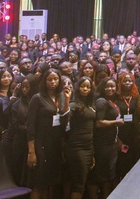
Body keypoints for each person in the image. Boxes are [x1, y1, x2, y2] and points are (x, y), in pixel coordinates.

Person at [26, 68, 71, 199]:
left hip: (55, 143)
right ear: (44, 81)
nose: (53, 82)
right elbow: (30, 126)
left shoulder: (60, 97)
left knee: (50, 183)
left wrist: (67, 100)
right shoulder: (38, 98)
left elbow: (63, 121)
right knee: (39, 183)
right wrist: (31, 152)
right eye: (50, 79)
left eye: (56, 79)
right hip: (40, 144)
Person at [66, 77, 96, 199]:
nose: (85, 89)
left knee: (83, 182)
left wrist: (92, 152)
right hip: (77, 148)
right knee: (79, 184)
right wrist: (67, 100)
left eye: (88, 87)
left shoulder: (90, 104)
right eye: (83, 86)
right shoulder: (73, 104)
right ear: (78, 88)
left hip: (89, 147)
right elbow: (65, 118)